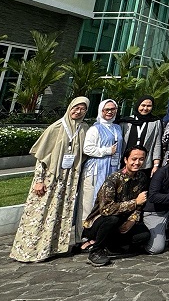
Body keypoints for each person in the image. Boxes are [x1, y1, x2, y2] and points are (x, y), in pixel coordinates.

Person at [11, 97, 90, 263]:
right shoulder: (57, 127)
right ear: (69, 108)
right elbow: (41, 158)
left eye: (82, 109)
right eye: (76, 108)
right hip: (50, 178)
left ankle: (50, 248)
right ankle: (29, 250)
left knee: (59, 213)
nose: (78, 112)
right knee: (40, 213)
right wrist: (39, 180)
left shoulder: (83, 128)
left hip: (68, 180)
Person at [81, 146, 150, 266]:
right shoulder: (113, 179)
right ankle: (95, 251)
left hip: (124, 221)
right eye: (134, 159)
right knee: (112, 219)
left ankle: (110, 245)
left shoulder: (142, 178)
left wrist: (132, 219)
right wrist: (134, 202)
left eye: (141, 159)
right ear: (125, 160)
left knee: (144, 235)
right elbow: (106, 209)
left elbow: (141, 203)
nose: (137, 163)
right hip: (100, 221)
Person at [81, 99, 122, 222]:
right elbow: (87, 149)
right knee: (89, 203)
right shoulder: (95, 129)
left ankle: (97, 235)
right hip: (95, 170)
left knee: (106, 202)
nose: (110, 112)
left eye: (113, 109)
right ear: (101, 111)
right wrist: (106, 151)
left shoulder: (117, 128)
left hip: (112, 169)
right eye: (107, 109)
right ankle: (83, 235)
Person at [120, 97, 162, 173]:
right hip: (126, 163)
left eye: (149, 106)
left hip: (144, 164)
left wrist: (156, 165)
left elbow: (157, 144)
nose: (145, 108)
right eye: (143, 105)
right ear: (138, 105)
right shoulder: (126, 122)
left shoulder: (155, 122)